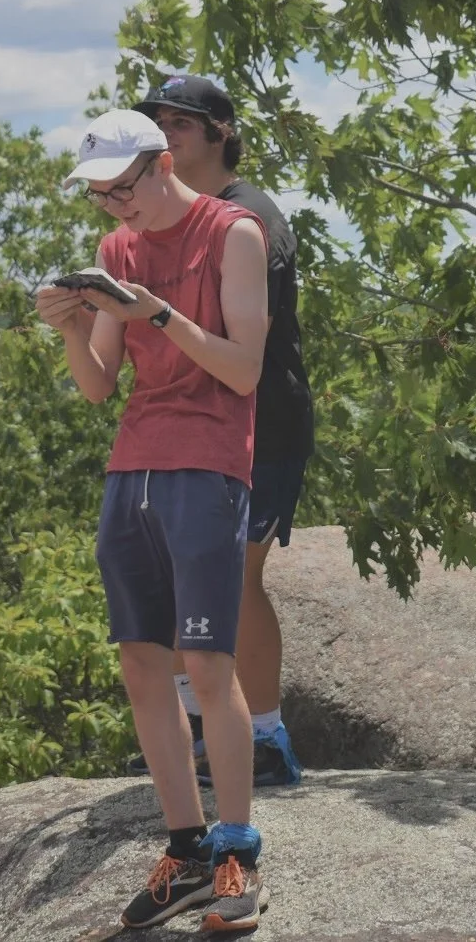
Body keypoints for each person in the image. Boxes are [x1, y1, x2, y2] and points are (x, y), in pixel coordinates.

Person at [35, 109, 271, 931]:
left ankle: (240, 855)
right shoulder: (116, 251)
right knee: (143, 661)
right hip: (133, 462)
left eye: (122, 188)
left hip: (209, 460)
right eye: (100, 197)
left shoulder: (232, 232)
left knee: (207, 663)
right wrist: (72, 325)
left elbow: (244, 371)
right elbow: (100, 385)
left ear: (163, 162)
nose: (114, 207)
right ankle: (187, 848)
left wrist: (158, 314)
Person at [127, 75, 314, 788]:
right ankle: (198, 729)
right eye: (158, 120)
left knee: (234, 580)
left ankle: (265, 738)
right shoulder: (174, 219)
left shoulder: (246, 217)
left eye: (183, 120)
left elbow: (241, 342)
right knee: (181, 577)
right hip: (193, 426)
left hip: (262, 425)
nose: (166, 130)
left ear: (220, 132)